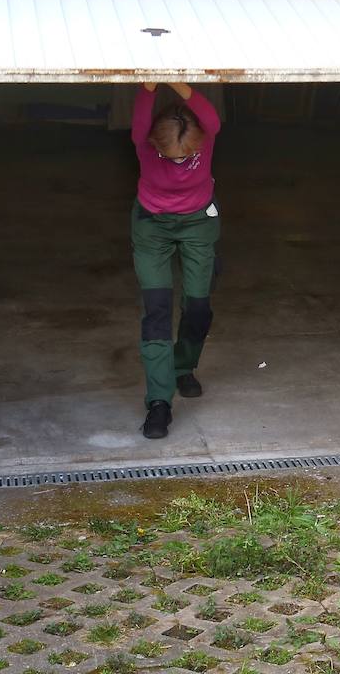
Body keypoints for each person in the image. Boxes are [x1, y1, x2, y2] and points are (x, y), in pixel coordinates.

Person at [129, 82, 222, 439]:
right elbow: (141, 111)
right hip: (152, 226)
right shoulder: (144, 142)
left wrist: (179, 84)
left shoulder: (207, 135)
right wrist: (150, 86)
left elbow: (210, 116)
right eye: (172, 155)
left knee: (198, 305)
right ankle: (159, 402)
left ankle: (183, 367)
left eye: (187, 154)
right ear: (154, 144)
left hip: (199, 223)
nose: (180, 160)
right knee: (157, 310)